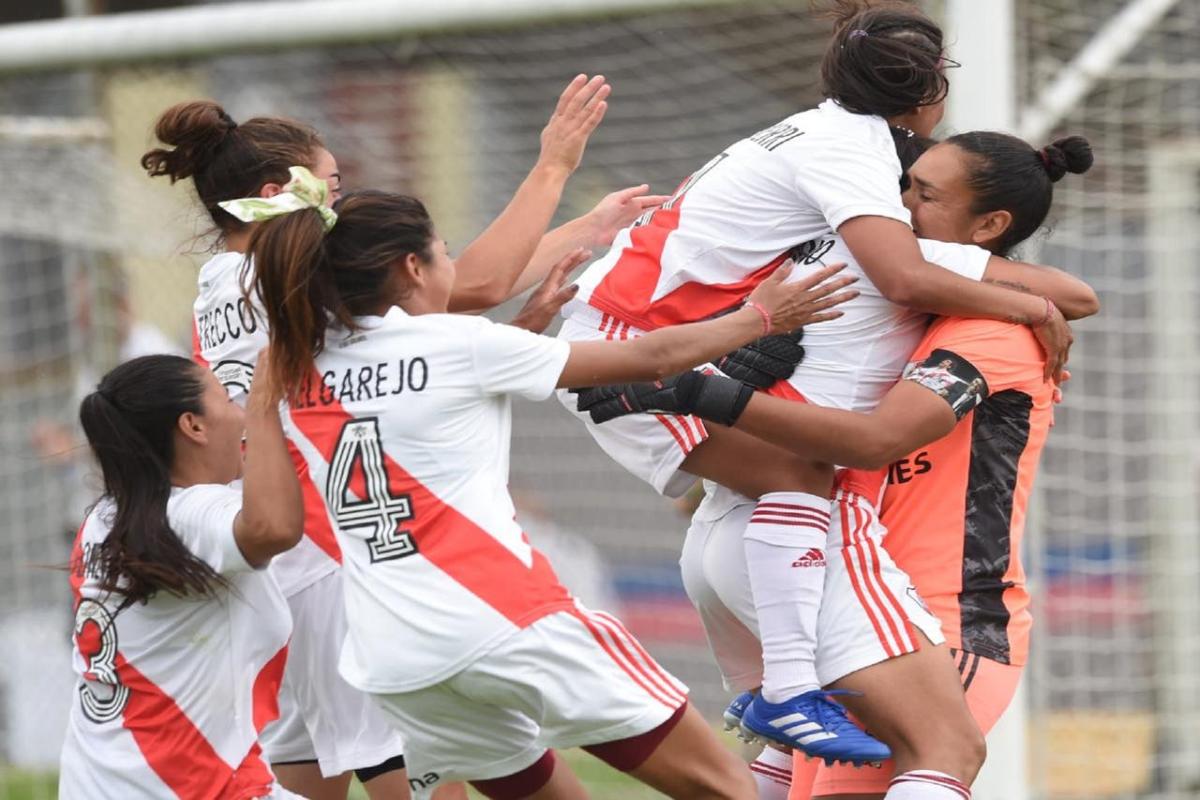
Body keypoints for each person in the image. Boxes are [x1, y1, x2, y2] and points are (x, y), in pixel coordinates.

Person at [552, 0, 1077, 758]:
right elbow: (902, 285)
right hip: (643, 356)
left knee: (780, 755)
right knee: (941, 748)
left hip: (667, 399)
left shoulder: (821, 135)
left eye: (923, 194)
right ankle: (790, 691)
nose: (905, 201)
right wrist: (1029, 303)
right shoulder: (856, 162)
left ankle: (779, 697)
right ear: (929, 96)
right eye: (911, 189)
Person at [233, 169, 855, 799]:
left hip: (393, 656)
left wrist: (520, 330)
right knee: (727, 788)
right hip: (507, 619)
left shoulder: (296, 371)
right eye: (445, 250)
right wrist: (759, 317)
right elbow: (649, 359)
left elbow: (403, 417)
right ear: (413, 268)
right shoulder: (459, 343)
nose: (452, 261)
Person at [142, 75, 656, 800]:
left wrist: (588, 228)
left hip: (281, 563)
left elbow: (443, 286)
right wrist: (554, 168)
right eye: (331, 183)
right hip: (340, 558)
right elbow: (463, 283)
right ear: (278, 190)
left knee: (305, 775)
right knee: (422, 767)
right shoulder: (278, 274)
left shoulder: (221, 282)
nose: (339, 202)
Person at [59, 353, 304, 798]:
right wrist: (266, 403)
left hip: (96, 783)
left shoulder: (102, 521)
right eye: (229, 399)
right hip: (189, 787)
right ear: (193, 426)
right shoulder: (186, 518)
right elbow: (275, 526)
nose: (240, 410)